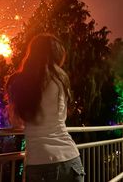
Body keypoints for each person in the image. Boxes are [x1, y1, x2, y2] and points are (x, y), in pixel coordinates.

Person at [6, 34, 85, 182]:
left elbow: (17, 123)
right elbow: (62, 116)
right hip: (71, 159)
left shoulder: (19, 82)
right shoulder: (62, 79)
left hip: (40, 162)